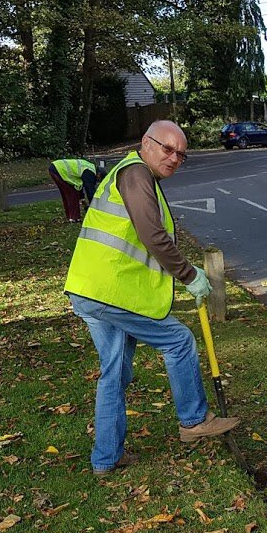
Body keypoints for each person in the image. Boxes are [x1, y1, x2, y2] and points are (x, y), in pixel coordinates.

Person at [64, 121, 238, 475]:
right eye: (167, 149)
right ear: (146, 143)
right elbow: (152, 236)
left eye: (181, 154)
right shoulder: (136, 174)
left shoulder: (134, 175)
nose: (174, 158)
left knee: (113, 374)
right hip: (111, 293)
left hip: (90, 289)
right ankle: (192, 420)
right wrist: (189, 275)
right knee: (179, 341)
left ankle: (106, 459)